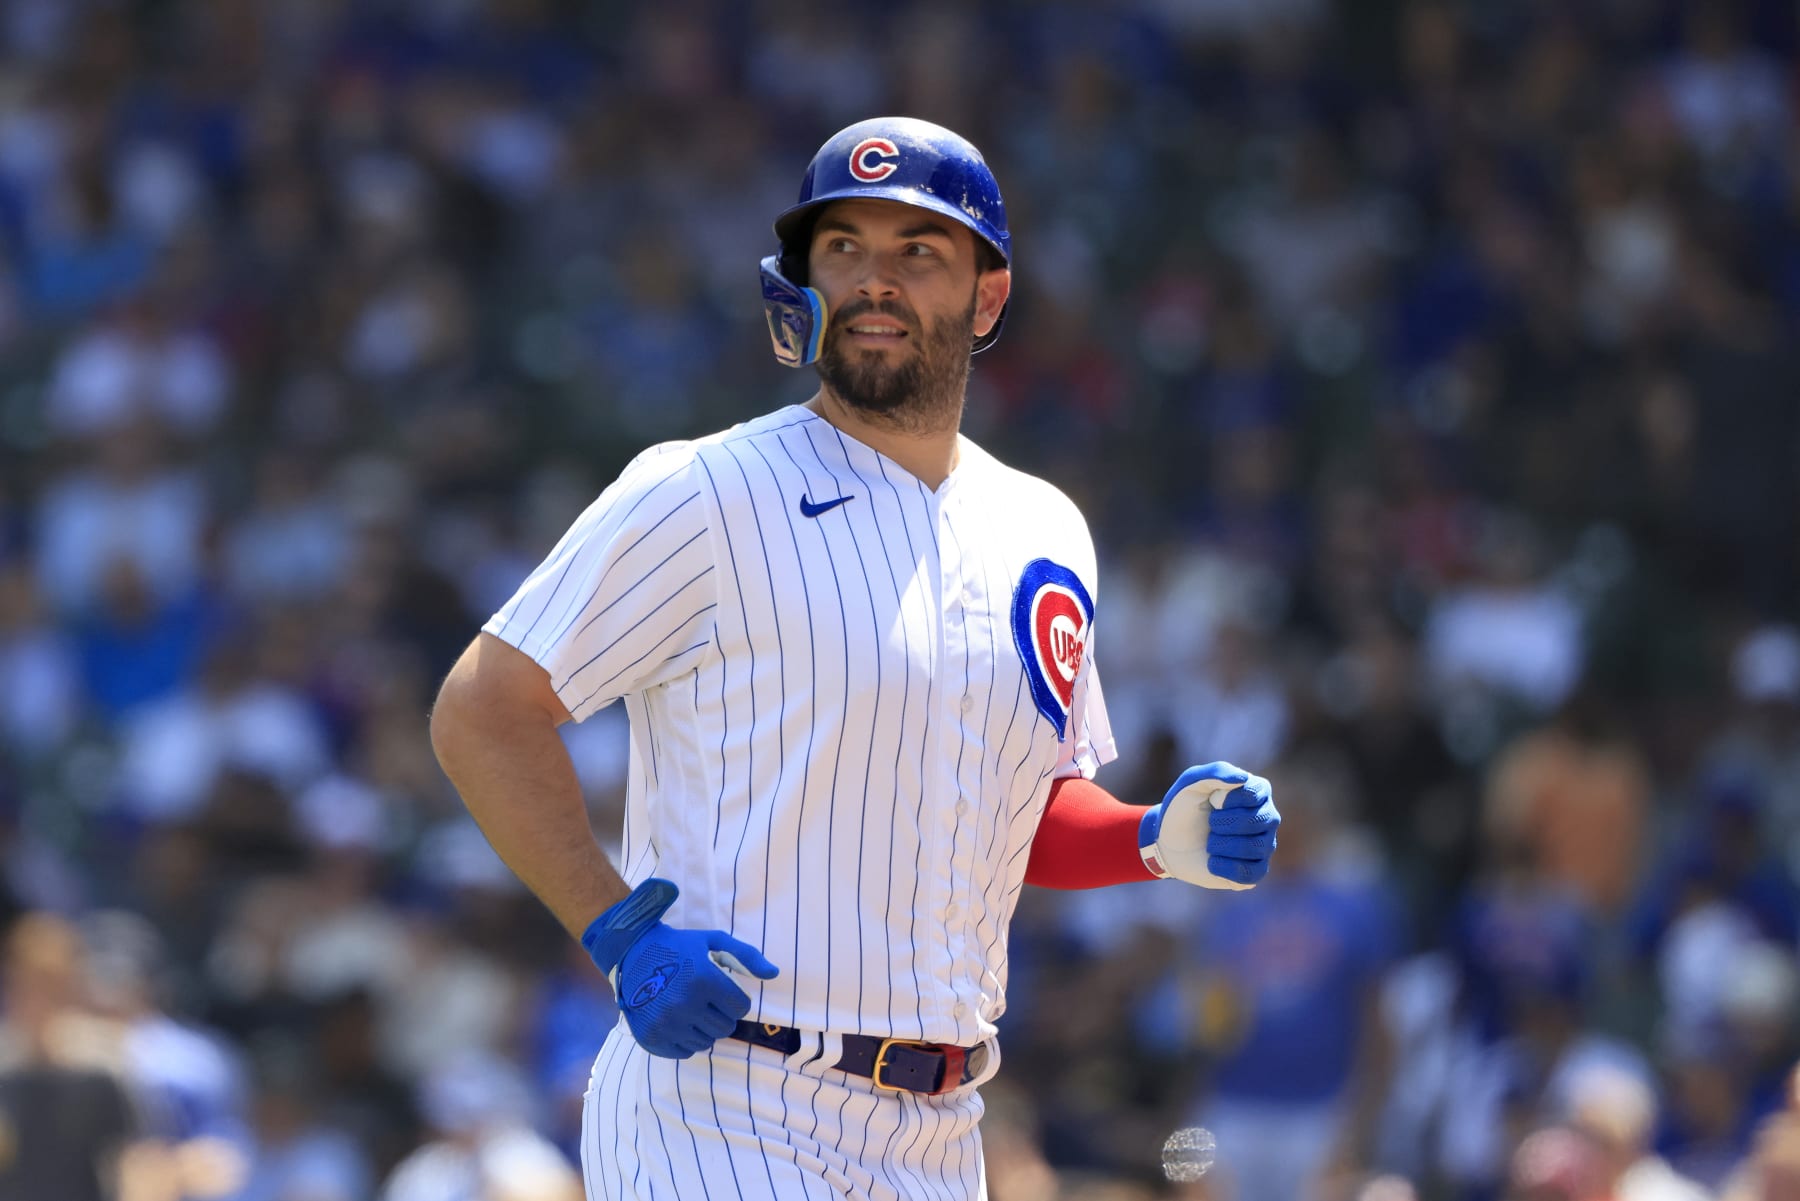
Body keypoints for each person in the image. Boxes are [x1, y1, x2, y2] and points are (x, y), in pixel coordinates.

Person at [429, 116, 1281, 1200]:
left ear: (988, 296)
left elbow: (1010, 809)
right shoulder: (706, 490)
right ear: (801, 282)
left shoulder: (1045, 528)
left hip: (943, 1128)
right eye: (843, 248)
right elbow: (483, 709)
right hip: (725, 1096)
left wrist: (1150, 838)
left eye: (918, 251)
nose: (875, 279)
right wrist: (622, 934)